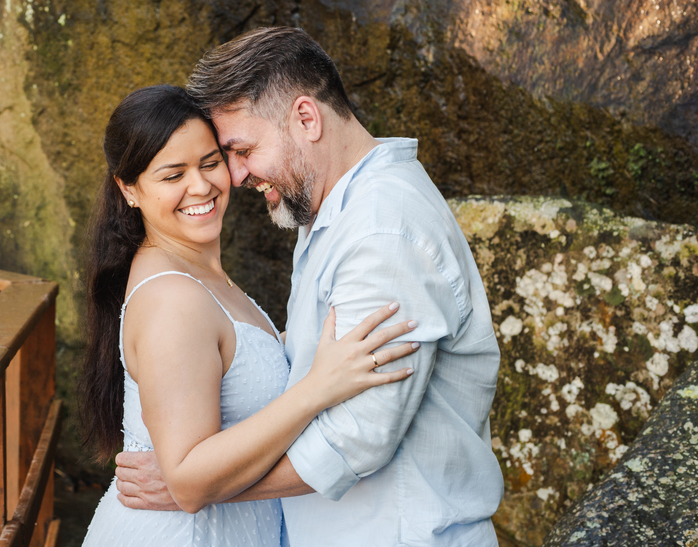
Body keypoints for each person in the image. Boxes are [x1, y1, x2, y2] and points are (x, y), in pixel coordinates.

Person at [115, 28, 505, 546]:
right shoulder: (329, 213)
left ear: (306, 117)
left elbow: (358, 436)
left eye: (240, 150)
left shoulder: (381, 231)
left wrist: (197, 485)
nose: (233, 176)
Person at [79, 84, 420, 546]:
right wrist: (319, 387)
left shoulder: (198, 273)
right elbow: (188, 480)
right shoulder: (172, 299)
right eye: (172, 174)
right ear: (129, 189)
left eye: (210, 162)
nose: (200, 187)